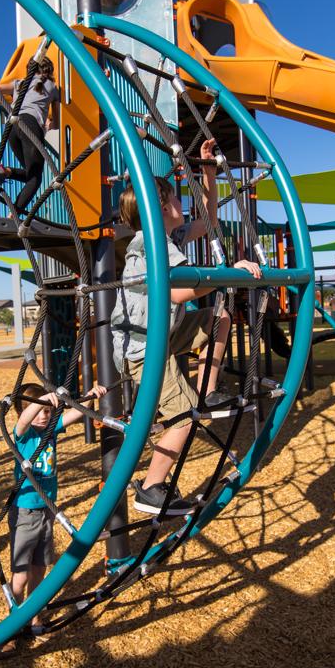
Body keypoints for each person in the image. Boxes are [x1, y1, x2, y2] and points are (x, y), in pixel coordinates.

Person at [109, 140, 262, 516]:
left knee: (219, 317)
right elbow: (177, 293)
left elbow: (208, 218)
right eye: (177, 198)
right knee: (182, 416)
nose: (183, 204)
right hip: (144, 347)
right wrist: (233, 274)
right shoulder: (149, 245)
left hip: (163, 331)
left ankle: (208, 389)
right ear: (163, 207)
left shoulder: (168, 237)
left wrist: (207, 170)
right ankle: (150, 488)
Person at [7, 380, 108, 626]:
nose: (44, 416)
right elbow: (23, 420)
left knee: (40, 569)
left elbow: (77, 412)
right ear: (24, 411)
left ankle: (34, 613)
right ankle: (11, 621)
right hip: (25, 512)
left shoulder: (49, 430)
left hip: (47, 511)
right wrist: (43, 400)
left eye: (48, 412)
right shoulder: (23, 436)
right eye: (39, 411)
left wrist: (91, 396)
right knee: (20, 576)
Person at [0, 53, 57, 216]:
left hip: (12, 127)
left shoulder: (20, 84)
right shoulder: (52, 86)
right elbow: (56, 123)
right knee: (35, 180)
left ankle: (5, 171)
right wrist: (49, 125)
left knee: (30, 174)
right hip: (30, 125)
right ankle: (14, 214)